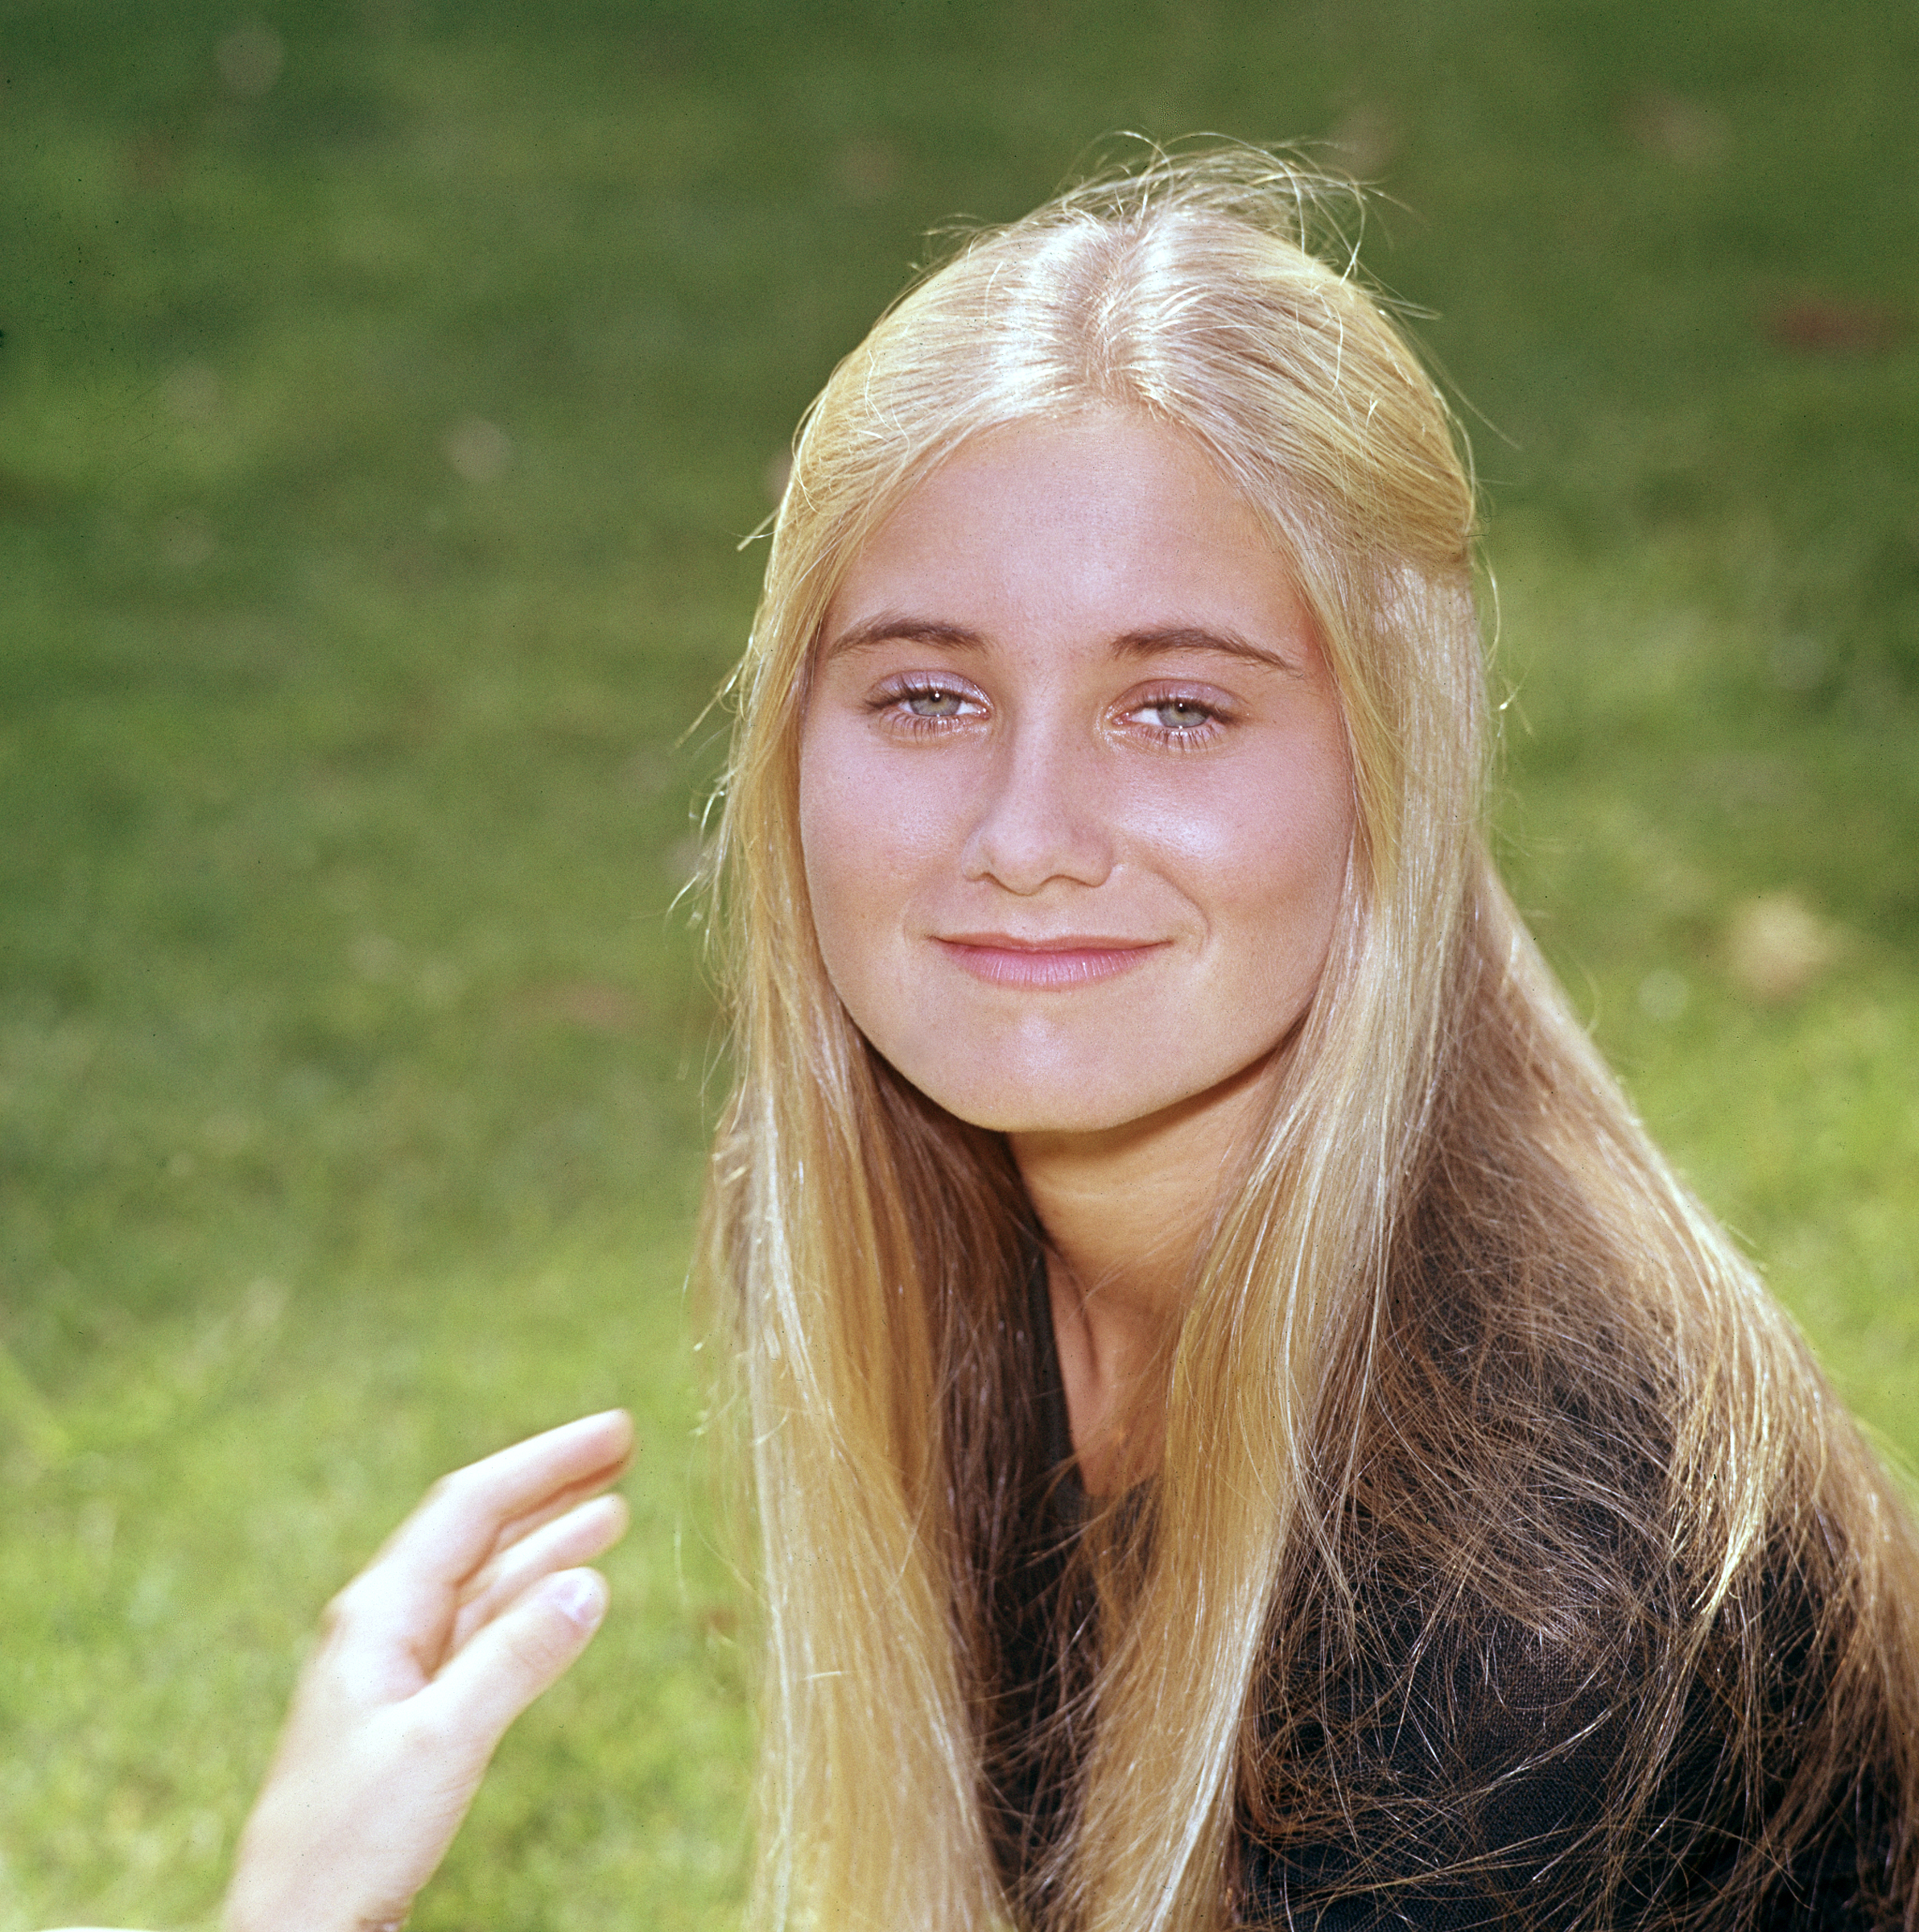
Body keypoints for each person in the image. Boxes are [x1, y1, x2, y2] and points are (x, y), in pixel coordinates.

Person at [71, 147, 1919, 1932]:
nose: (1024, 835)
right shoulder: (910, 1210)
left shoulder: (1521, 1627)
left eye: (1177, 707)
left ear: (1390, 767)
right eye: (928, 693)